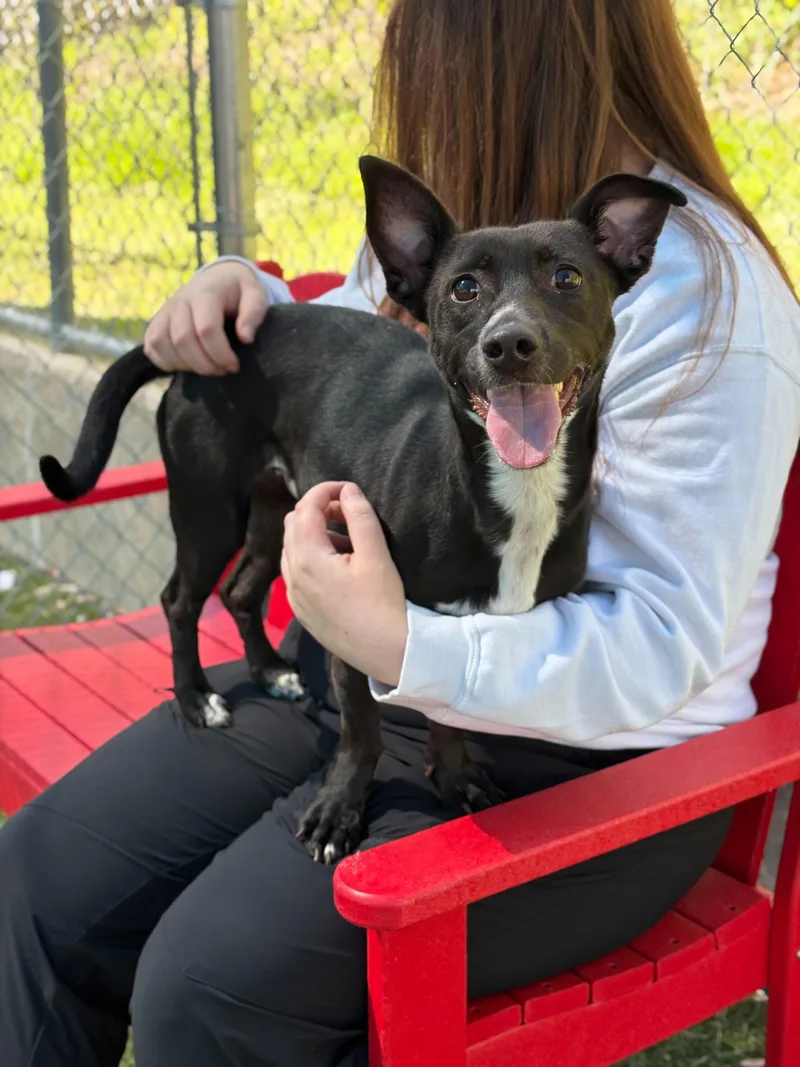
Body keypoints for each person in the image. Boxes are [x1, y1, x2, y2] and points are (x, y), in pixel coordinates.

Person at [1, 1, 799, 1064]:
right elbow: (367, 356)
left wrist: (411, 648)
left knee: (209, 985)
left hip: (596, 763)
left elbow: (665, 639)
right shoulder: (461, 209)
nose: (410, 88)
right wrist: (252, 304)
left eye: (420, 54)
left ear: (488, 61)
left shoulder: (705, 294)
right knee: (38, 881)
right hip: (369, 678)